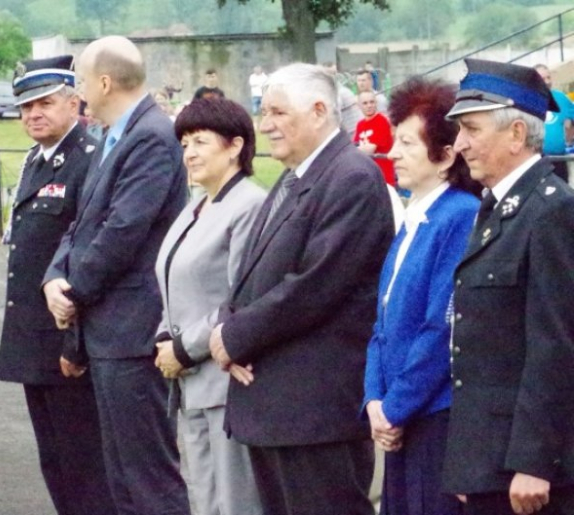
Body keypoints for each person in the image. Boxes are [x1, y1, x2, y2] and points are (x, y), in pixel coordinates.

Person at [208, 63, 395, 515]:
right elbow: (252, 277)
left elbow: (315, 285)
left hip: (315, 413)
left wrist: (233, 338)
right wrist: (226, 328)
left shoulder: (351, 177)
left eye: (277, 112)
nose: (265, 124)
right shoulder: (296, 177)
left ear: (317, 111)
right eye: (264, 111)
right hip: (277, 409)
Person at [42, 36, 190, 515]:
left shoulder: (150, 135)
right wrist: (55, 277)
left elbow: (124, 229)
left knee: (148, 474)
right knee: (121, 473)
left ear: (104, 82)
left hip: (133, 328)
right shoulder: (114, 134)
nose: (81, 92)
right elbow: (83, 222)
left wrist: (75, 292)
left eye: (83, 82)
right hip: (109, 330)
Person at [442, 58, 574, 515]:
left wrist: (534, 462)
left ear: (516, 134)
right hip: (489, 460)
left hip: (526, 473)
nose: (459, 145)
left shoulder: (552, 212)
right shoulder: (497, 206)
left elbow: (554, 346)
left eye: (472, 130)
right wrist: (467, 461)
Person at [0, 55, 114, 515]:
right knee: (54, 459)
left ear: (74, 102)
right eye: (25, 107)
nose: (33, 114)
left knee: (84, 460)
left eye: (45, 103)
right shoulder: (35, 160)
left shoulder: (89, 160)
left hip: (67, 337)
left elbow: (86, 254)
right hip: (32, 336)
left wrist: (74, 341)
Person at [362, 77, 481, 515]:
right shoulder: (416, 216)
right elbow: (384, 321)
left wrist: (394, 407)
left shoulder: (460, 217)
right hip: (399, 417)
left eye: (407, 144)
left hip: (434, 418)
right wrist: (374, 399)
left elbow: (442, 327)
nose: (392, 154)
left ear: (447, 156)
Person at [154, 98, 265, 515]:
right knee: (204, 503)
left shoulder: (250, 205)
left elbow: (241, 295)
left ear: (235, 146)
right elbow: (172, 284)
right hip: (188, 383)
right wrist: (165, 338)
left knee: (235, 503)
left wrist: (183, 349)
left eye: (200, 141)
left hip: (224, 382)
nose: (190, 153)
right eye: (184, 143)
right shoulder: (195, 206)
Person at [534, 63, 574, 181]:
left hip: (559, 159)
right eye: (543, 79)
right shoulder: (528, 98)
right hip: (536, 160)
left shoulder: (561, 98)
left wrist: (568, 140)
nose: (547, 81)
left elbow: (572, 119)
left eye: (548, 77)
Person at [355, 91, 396, 186]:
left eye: (372, 102)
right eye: (365, 103)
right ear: (359, 106)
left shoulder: (381, 121)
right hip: (367, 177)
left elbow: (369, 150)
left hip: (384, 177)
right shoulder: (360, 125)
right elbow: (356, 145)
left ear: (376, 103)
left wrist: (356, 150)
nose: (369, 105)